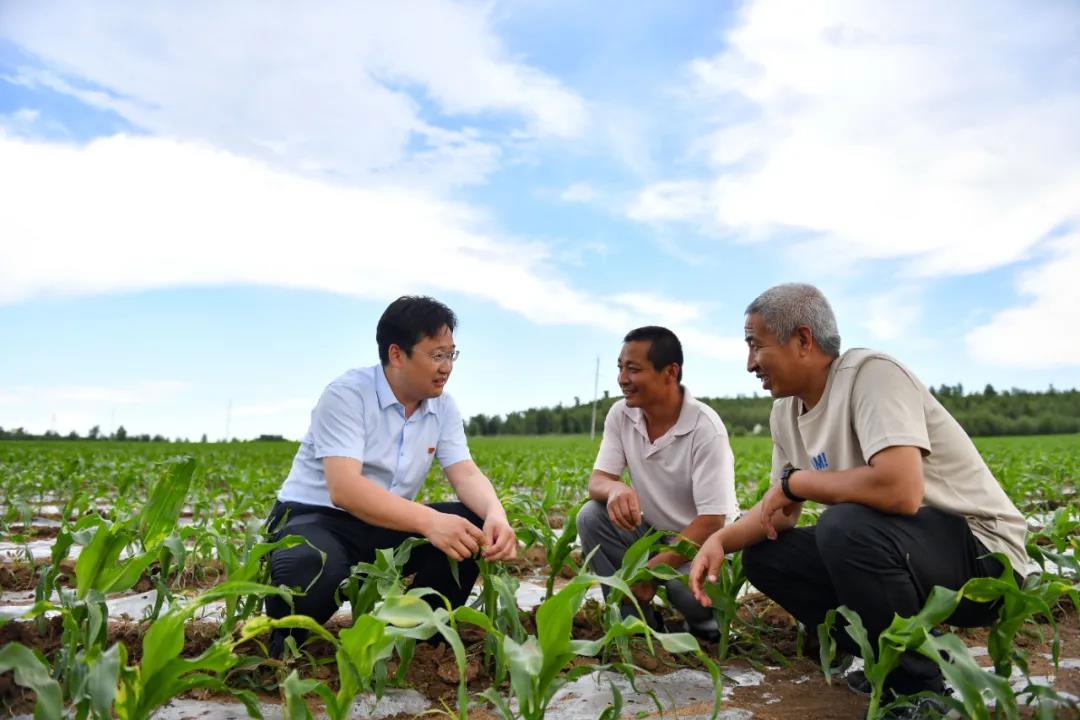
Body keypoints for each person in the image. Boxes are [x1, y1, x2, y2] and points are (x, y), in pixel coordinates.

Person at [689, 283, 1028, 717]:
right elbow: (779, 513)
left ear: (804, 341)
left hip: (984, 559)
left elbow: (900, 491)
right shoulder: (785, 413)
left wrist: (799, 483)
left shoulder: (872, 375)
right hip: (908, 554)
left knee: (844, 527)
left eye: (755, 345)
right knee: (766, 555)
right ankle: (881, 656)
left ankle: (917, 690)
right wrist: (719, 542)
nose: (750, 363)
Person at [265, 295, 517, 655]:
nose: (447, 367)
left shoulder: (442, 407)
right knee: (312, 566)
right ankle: (285, 644)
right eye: (436, 355)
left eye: (451, 355)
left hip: (383, 520)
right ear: (397, 354)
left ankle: (419, 640)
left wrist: (496, 513)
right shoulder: (347, 395)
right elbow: (345, 489)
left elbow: (465, 473)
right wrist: (429, 521)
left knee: (470, 525)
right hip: (315, 518)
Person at [577, 326, 739, 640]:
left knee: (684, 587)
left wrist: (650, 571)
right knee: (591, 516)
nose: (623, 378)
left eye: (633, 369)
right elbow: (598, 480)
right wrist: (616, 488)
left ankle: (709, 628)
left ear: (669, 373)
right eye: (620, 368)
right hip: (651, 535)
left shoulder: (705, 428)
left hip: (704, 547)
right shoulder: (621, 415)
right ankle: (634, 624)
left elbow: (711, 521)